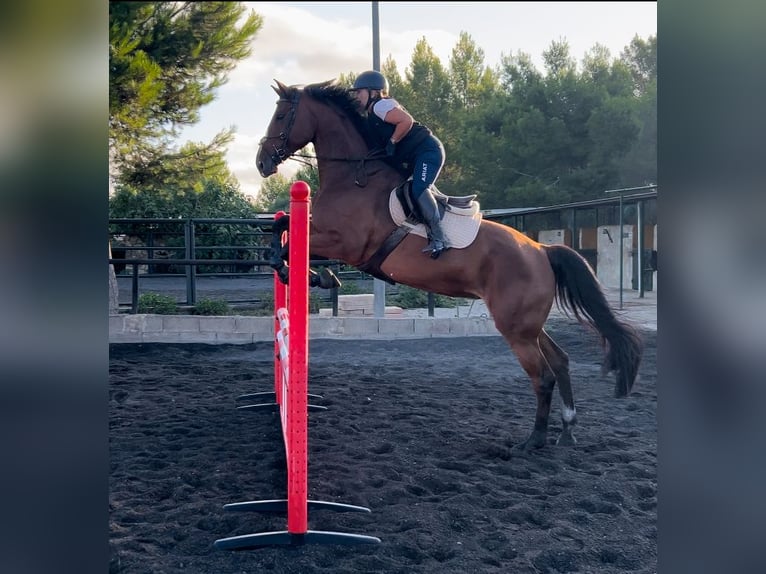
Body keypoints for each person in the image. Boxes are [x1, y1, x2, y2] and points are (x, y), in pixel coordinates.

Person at [350, 70, 450, 259]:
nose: (356, 96)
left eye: (359, 92)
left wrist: (393, 141)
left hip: (428, 152)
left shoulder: (380, 106)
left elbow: (406, 121)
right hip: (416, 155)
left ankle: (439, 237)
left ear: (373, 92)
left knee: (418, 188)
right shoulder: (372, 116)